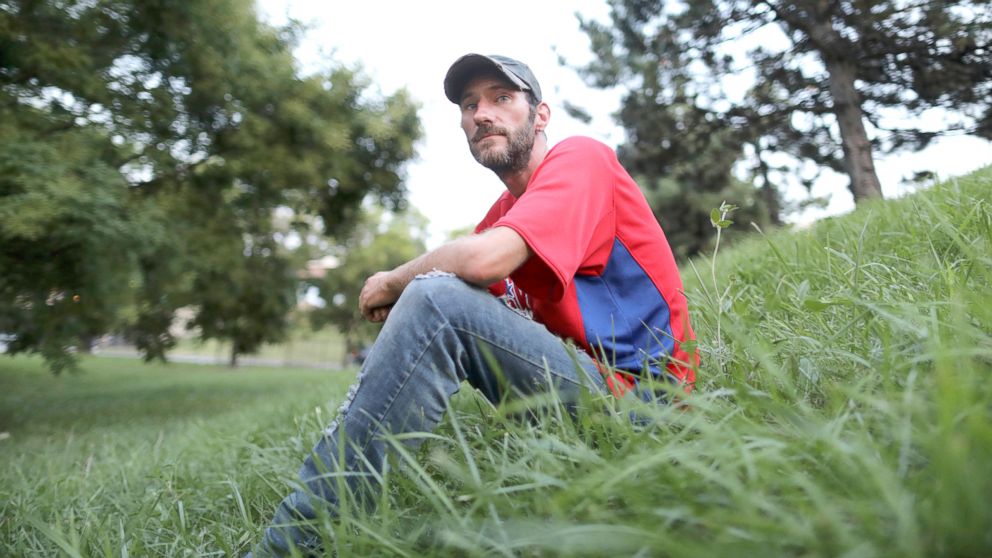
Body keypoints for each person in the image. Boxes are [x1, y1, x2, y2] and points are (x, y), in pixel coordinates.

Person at [249, 53, 698, 556]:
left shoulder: (582, 160)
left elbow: (479, 265)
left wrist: (393, 281)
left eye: (501, 98)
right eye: (469, 105)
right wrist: (412, 296)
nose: (481, 113)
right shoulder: (503, 216)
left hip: (651, 411)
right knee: (436, 296)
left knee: (434, 298)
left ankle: (289, 546)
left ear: (540, 115)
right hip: (584, 404)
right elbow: (462, 288)